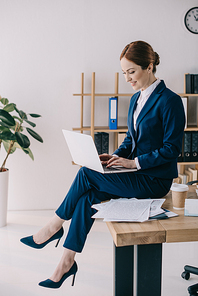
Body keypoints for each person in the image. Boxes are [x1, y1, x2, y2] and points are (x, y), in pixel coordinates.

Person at [20, 40, 185, 289]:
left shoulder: (169, 100)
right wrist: (114, 157)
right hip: (135, 172)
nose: (128, 79)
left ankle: (53, 226)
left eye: (132, 72)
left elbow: (172, 150)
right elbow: (131, 139)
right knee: (88, 196)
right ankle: (66, 262)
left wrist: (133, 163)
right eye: (124, 73)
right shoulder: (136, 99)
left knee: (86, 174)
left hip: (154, 180)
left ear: (149, 66)